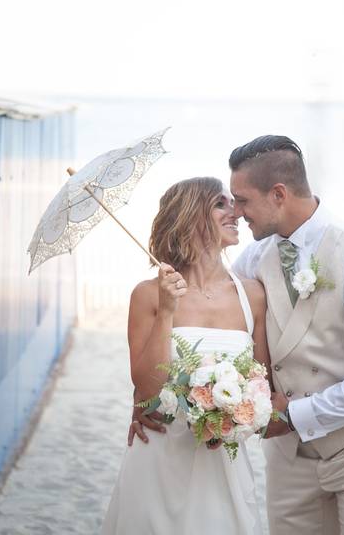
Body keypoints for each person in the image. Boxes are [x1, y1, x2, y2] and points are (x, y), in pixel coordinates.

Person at [131, 136, 344, 534]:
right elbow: (206, 307)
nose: (237, 212)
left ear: (278, 194)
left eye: (242, 200)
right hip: (290, 463)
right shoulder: (254, 260)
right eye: (228, 202)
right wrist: (150, 400)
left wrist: (293, 414)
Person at [102, 177, 269, 535]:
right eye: (221, 204)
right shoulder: (148, 295)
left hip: (222, 464)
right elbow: (147, 391)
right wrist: (166, 310)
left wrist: (233, 412)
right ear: (192, 217)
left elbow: (264, 382)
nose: (235, 212)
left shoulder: (253, 295)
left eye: (234, 203)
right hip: (159, 455)